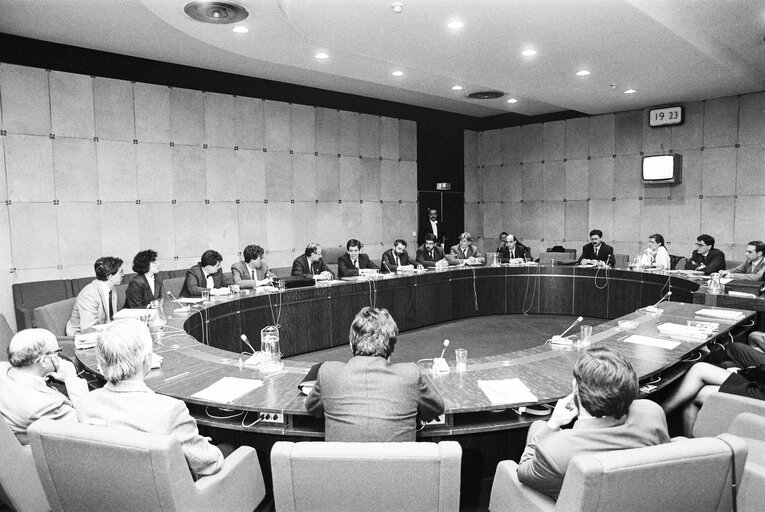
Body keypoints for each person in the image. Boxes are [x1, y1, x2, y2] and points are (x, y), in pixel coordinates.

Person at [76, 319, 225, 478]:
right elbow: (210, 464)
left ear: (101, 361)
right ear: (147, 359)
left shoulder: (85, 404)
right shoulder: (169, 410)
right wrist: (203, 447)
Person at [517, 347, 669, 499]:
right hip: (640, 500)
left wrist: (552, 424)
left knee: (538, 427)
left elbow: (523, 472)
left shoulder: (555, 451)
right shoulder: (652, 413)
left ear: (576, 389)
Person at [305, 307, 444, 442]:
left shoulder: (328, 372)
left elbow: (313, 409)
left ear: (351, 343)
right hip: (397, 465)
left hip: (342, 465)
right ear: (392, 346)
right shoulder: (410, 374)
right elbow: (435, 409)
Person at [0, 329, 89, 444]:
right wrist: (71, 378)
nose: (60, 357)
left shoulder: (2, 369)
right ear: (43, 360)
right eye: (57, 352)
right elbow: (88, 425)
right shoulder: (45, 406)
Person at [661, 345, 765, 437]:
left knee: (696, 394)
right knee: (700, 368)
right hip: (759, 385)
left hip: (760, 394)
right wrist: (745, 372)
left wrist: (745, 372)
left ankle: (691, 449)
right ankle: (660, 412)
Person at [66, 256, 124, 336]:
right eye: (121, 272)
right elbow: (88, 329)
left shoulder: (112, 289)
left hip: (103, 333)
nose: (123, 274)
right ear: (110, 277)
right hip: (80, 336)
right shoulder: (89, 294)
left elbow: (110, 319)